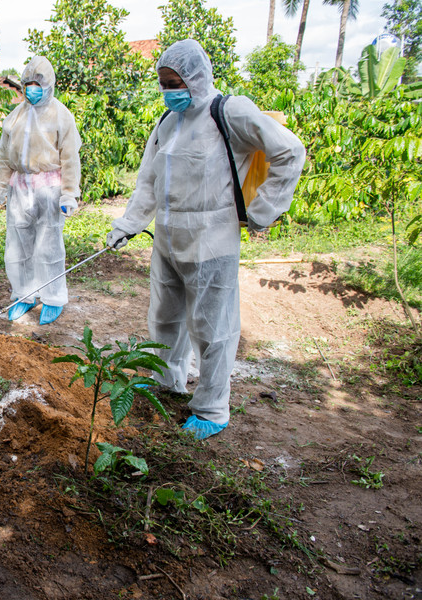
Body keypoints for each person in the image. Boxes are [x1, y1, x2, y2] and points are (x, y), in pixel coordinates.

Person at [106, 39, 305, 440]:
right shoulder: (166, 124)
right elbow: (148, 181)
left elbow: (290, 152)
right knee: (165, 318)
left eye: (174, 82)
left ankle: (212, 408)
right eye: (162, 84)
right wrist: (128, 224)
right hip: (168, 237)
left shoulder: (229, 112)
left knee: (213, 327)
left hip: (212, 239)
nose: (168, 91)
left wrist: (261, 211)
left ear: (195, 78)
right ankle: (166, 381)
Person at [0, 56, 82, 325]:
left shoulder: (61, 115)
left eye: (37, 84)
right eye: (28, 83)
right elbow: (4, 156)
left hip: (49, 188)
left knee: (49, 246)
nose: (32, 89)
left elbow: (70, 157)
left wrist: (69, 193)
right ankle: (24, 295)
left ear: (48, 85)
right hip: (20, 187)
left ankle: (52, 297)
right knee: (17, 245)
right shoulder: (15, 117)